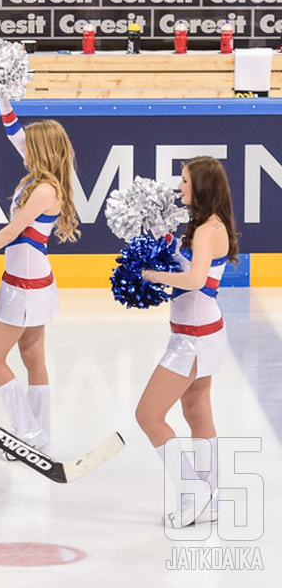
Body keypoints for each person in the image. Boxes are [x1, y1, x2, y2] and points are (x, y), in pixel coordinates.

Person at [0, 101, 79, 456]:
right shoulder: (41, 180)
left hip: (25, 283)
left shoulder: (45, 190)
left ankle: (27, 432)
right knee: (32, 357)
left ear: (41, 150)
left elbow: (11, 232)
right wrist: (2, 97)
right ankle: (40, 436)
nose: (23, 148)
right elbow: (14, 132)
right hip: (27, 277)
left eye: (29, 145)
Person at [137, 156, 236, 528]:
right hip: (199, 329)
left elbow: (195, 280)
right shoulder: (207, 225)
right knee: (197, 412)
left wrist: (151, 275)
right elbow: (193, 267)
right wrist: (164, 241)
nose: (180, 187)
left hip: (193, 337)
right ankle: (209, 499)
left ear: (203, 186)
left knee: (148, 415)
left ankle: (194, 492)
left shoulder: (208, 229)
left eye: (185, 181)